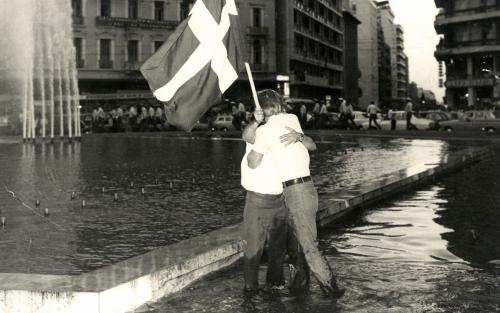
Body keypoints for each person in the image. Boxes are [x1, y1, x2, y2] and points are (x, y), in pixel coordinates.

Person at [247, 89, 344, 298]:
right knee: (299, 243)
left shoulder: (264, 131)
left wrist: (257, 129)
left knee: (308, 245)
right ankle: (300, 288)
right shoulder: (292, 118)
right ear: (279, 104)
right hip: (306, 188)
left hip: (296, 191)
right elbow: (312, 145)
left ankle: (333, 290)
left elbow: (252, 163)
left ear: (262, 110)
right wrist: (299, 136)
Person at [241, 104, 318, 295]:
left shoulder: (285, 130)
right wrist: (256, 121)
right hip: (257, 199)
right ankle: (250, 291)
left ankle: (275, 288)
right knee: (253, 249)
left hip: (280, 198)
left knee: (277, 250)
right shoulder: (259, 131)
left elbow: (311, 145)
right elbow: (247, 138)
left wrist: (298, 137)